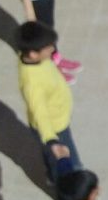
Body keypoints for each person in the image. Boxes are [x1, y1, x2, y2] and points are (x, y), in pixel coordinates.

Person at [16, 21, 82, 183]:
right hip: (54, 127)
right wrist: (51, 139)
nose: (52, 49)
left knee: (51, 156)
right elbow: (40, 113)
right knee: (68, 162)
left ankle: (53, 176)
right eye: (48, 47)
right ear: (33, 54)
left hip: (57, 119)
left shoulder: (29, 57)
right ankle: (68, 184)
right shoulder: (33, 84)